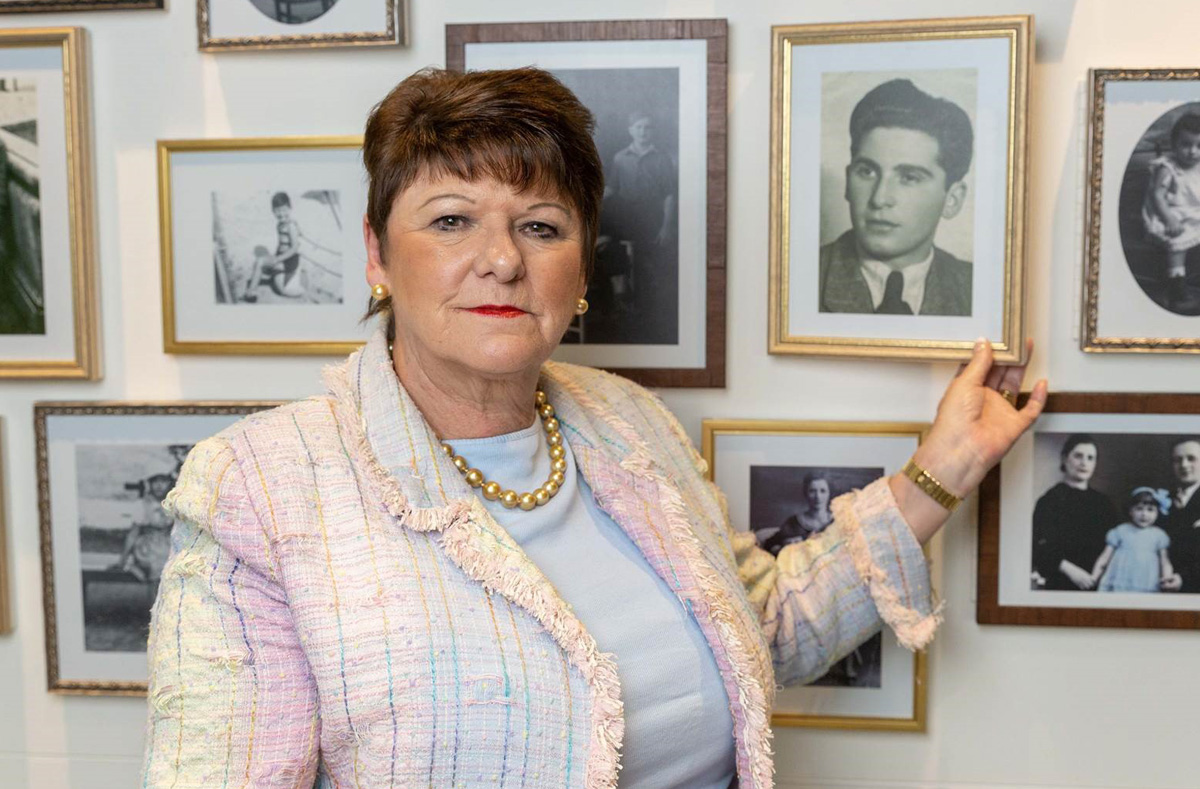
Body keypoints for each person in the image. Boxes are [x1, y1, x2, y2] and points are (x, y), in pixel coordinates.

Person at [141, 67, 1047, 789]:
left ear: (578, 273)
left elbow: (760, 631)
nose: (500, 260)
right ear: (379, 253)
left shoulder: (625, 420)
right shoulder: (260, 487)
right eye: (451, 220)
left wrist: (945, 465)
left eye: (540, 226)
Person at [819, 78, 974, 316]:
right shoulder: (799, 278)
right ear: (848, 182)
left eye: (909, 177)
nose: (879, 198)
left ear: (952, 199)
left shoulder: (976, 291)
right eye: (867, 172)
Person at [603, 110, 677, 341]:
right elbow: (611, 190)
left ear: (652, 131)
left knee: (646, 260)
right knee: (609, 247)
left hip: (651, 217)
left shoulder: (662, 157)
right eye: (639, 128)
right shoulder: (620, 157)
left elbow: (669, 196)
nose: (643, 132)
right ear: (630, 130)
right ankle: (621, 296)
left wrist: (666, 226)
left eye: (648, 128)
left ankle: (645, 311)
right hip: (625, 215)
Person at [1030, 434, 1120, 591]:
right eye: (1078, 456)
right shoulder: (1050, 500)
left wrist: (1098, 575)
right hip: (1061, 584)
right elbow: (1039, 548)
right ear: (1065, 458)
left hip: (1100, 583)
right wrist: (1072, 571)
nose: (1084, 463)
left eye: (1090, 458)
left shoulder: (1104, 503)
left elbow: (1117, 543)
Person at [1141, 112, 1200, 313]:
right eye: (1186, 144)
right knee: (1177, 242)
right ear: (1174, 144)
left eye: (1199, 146)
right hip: (1171, 212)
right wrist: (1169, 218)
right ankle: (1177, 285)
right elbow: (1157, 195)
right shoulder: (1167, 167)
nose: (1193, 151)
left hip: (1195, 212)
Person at [1089, 487, 1181, 593]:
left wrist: (1167, 578)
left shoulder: (1159, 535)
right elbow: (1104, 557)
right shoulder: (1120, 531)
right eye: (1139, 508)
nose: (1144, 514)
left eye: (1150, 509)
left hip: (1147, 579)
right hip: (1121, 576)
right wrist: (1094, 577)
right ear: (1130, 511)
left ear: (1158, 512)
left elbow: (1165, 562)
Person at [108, 472, 175, 583]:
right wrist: (122, 560)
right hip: (147, 547)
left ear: (169, 483)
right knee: (155, 567)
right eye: (155, 482)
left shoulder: (174, 505)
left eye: (163, 481)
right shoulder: (142, 504)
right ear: (149, 483)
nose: (159, 486)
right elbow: (133, 534)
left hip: (167, 545)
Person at [243, 191, 307, 302]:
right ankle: (253, 291)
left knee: (261, 263)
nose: (281, 214)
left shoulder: (290, 226)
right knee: (262, 264)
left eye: (284, 210)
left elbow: (294, 248)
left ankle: (251, 292)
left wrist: (278, 259)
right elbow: (282, 244)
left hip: (290, 261)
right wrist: (276, 256)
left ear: (290, 208)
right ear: (273, 212)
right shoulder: (280, 225)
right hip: (283, 259)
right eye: (277, 211)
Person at [760, 471, 834, 556]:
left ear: (829, 493)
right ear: (806, 493)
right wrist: (785, 548)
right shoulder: (794, 523)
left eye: (823, 491)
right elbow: (769, 545)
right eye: (812, 491)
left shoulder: (837, 521)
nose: (818, 496)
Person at [1164, 438, 1200, 592]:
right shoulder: (1162, 499)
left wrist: (1184, 578)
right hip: (1163, 583)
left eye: (1191, 458)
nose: (1184, 465)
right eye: (1177, 460)